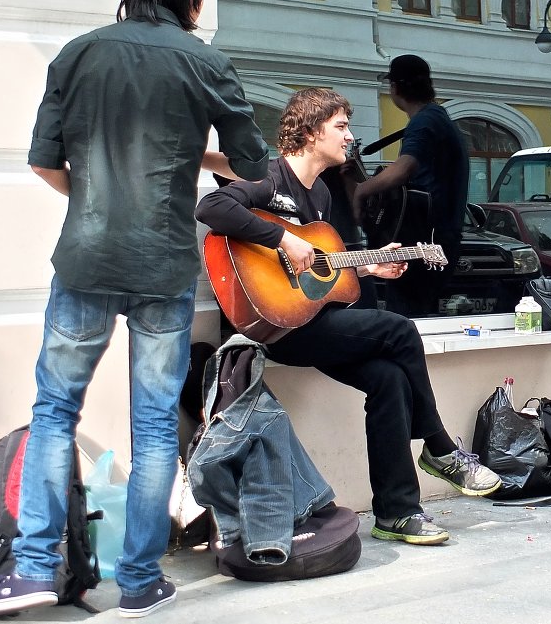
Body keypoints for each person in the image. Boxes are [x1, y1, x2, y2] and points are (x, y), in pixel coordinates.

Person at [0, 0, 269, 619]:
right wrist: (205, 160)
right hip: (162, 263)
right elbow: (253, 167)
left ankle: (36, 568)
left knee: (54, 410)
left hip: (87, 256)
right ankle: (138, 579)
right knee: (156, 423)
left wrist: (105, 197)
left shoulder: (77, 53)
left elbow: (44, 165)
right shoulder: (207, 62)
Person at [195, 87, 501, 545]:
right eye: (340, 127)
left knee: (389, 380)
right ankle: (439, 447)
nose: (350, 137)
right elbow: (211, 207)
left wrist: (368, 263)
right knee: (398, 329)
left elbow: (321, 267)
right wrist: (283, 241)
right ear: (310, 130)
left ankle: (397, 512)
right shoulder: (271, 178)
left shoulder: (319, 194)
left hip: (312, 320)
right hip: (281, 329)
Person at [353, 54, 468, 318]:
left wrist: (362, 189)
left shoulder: (424, 121)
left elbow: (403, 170)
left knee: (404, 319)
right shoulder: (438, 117)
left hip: (422, 240)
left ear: (394, 88)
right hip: (439, 237)